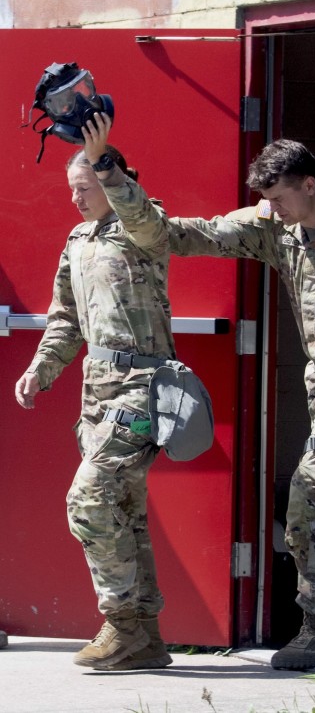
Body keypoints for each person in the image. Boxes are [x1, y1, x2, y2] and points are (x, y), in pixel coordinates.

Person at [111, 137, 315, 670]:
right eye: (267, 201)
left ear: (309, 185)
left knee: (313, 486)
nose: (272, 209)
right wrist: (115, 181)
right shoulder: (279, 229)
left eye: (280, 197)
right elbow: (183, 235)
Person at [14, 113, 174, 671]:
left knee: (87, 500)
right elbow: (65, 317)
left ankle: (121, 624)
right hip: (98, 392)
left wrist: (104, 161)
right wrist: (41, 368)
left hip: (144, 387)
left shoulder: (141, 228)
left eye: (84, 188)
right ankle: (146, 638)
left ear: (109, 181)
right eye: (72, 190)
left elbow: (146, 219)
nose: (77, 200)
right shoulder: (78, 240)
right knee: (124, 509)